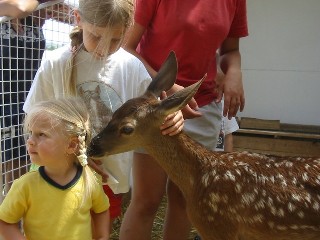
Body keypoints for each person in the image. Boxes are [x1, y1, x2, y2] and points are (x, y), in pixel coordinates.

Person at [23, 0, 184, 230]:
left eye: (116, 40)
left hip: (108, 180)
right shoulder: (55, 63)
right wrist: (74, 155)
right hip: (60, 177)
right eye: (96, 36)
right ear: (78, 19)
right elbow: (33, 122)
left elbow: (149, 115)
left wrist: (172, 118)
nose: (103, 48)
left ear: (128, 29)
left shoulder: (132, 67)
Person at [122, 0, 249, 239]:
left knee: (185, 201)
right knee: (146, 200)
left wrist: (234, 72)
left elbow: (230, 50)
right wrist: (167, 87)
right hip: (155, 105)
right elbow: (126, 48)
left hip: (202, 107)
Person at [0, 97, 110, 240]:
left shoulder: (89, 180)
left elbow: (101, 210)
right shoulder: (25, 186)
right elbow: (5, 221)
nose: (30, 141)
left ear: (71, 145)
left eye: (41, 134)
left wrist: (102, 236)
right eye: (30, 133)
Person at [0, 1, 73, 192]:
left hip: (26, 106)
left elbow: (78, 17)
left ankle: (12, 219)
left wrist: (53, 9)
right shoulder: (16, 7)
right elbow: (20, 8)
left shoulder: (34, 17)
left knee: (18, 176)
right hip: (3, 103)